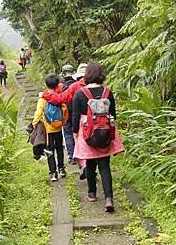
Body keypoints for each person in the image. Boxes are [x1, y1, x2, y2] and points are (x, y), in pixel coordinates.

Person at [72, 62, 124, 212]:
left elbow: (75, 116)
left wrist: (75, 133)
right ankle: (108, 198)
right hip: (105, 132)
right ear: (101, 74)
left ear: (86, 75)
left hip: (87, 131)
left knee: (89, 163)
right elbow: (113, 114)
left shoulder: (80, 93)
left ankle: (92, 193)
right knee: (104, 165)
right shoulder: (108, 92)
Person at [42, 62, 88, 176]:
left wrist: (45, 95)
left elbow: (60, 99)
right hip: (91, 120)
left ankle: (74, 157)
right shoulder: (102, 88)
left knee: (70, 135)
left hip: (71, 116)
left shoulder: (73, 87)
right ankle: (88, 165)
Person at [33, 74, 68, 182]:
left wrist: (34, 124)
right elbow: (65, 110)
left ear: (46, 84)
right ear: (57, 84)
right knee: (59, 148)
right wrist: (62, 122)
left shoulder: (43, 98)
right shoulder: (59, 96)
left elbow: (39, 112)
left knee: (49, 150)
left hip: (48, 129)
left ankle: (53, 173)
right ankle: (61, 168)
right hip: (58, 128)